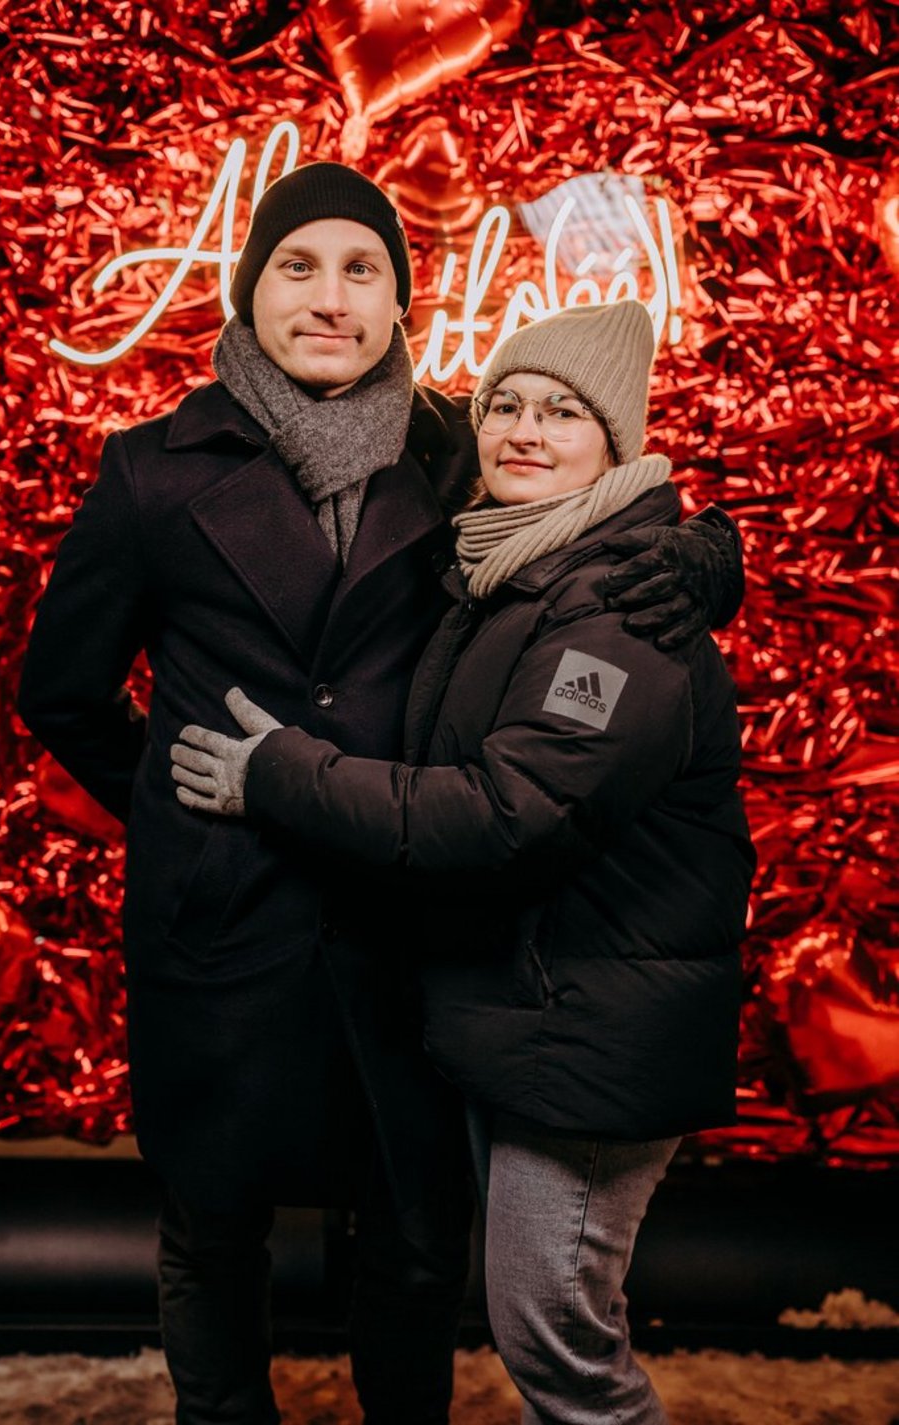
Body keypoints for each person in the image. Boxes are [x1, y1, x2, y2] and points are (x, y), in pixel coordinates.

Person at [19, 158, 744, 1425]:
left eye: (364, 270)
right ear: (250, 287)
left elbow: (595, 493)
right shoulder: (151, 471)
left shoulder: (452, 442)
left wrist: (699, 556)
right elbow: (63, 689)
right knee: (212, 1225)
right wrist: (174, 802)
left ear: (400, 302)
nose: (330, 297)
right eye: (299, 265)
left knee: (411, 1238)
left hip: (405, 909)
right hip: (224, 912)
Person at [171, 300, 755, 1425]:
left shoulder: (616, 610)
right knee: (550, 1329)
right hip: (535, 1013)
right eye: (508, 405)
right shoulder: (512, 559)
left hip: (591, 1032)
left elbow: (507, 812)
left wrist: (278, 774)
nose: (525, 431)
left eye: (564, 412)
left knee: (559, 1350)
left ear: (618, 444)